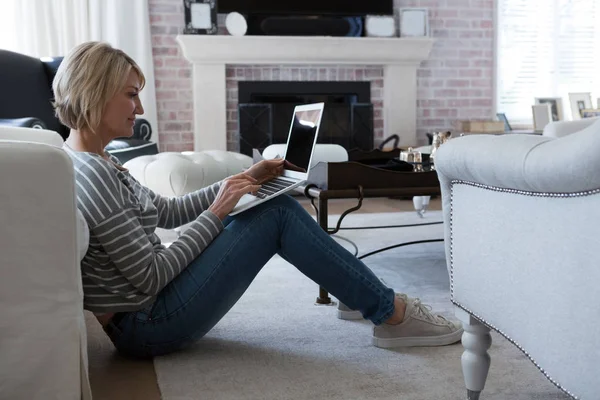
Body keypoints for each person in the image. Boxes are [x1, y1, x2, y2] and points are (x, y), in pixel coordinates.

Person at [54, 41, 462, 359]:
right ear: (96, 93)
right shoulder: (94, 175)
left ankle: (360, 295)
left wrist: (244, 180)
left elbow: (167, 211)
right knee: (277, 215)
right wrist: (218, 212)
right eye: (130, 95)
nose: (139, 108)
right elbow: (150, 277)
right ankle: (391, 314)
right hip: (147, 323)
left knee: (266, 206)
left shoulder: (97, 160)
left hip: (147, 308)